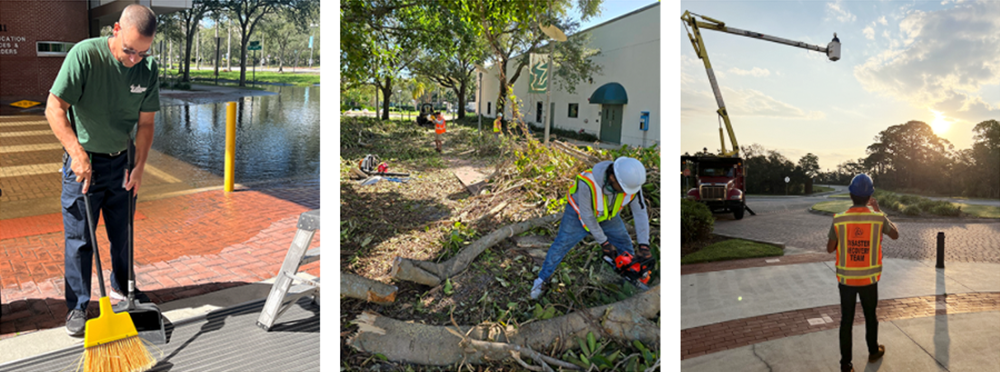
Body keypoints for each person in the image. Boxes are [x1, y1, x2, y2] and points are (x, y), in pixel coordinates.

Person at [46, 4, 159, 337]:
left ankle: (123, 290)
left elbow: (147, 123)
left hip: (121, 164)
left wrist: (138, 167)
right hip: (84, 165)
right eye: (129, 50)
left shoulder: (147, 69)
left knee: (122, 235)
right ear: (115, 30)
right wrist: (77, 154)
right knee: (81, 239)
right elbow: (54, 108)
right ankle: (79, 306)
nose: (134, 59)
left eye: (143, 52)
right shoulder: (85, 56)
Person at [530, 157, 651, 299]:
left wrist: (644, 245)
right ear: (612, 177)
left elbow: (640, 212)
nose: (626, 192)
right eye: (623, 189)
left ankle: (629, 280)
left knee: (624, 243)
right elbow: (587, 216)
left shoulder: (631, 183)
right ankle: (541, 280)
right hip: (577, 215)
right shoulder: (588, 182)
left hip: (607, 215)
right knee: (561, 245)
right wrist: (604, 243)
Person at [827, 174, 898, 372]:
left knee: (846, 321)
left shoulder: (839, 220)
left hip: (846, 281)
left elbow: (830, 248)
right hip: (869, 280)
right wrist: (880, 211)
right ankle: (873, 351)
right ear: (870, 197)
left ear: (851, 195)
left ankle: (846, 365)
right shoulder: (878, 218)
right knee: (870, 317)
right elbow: (895, 234)